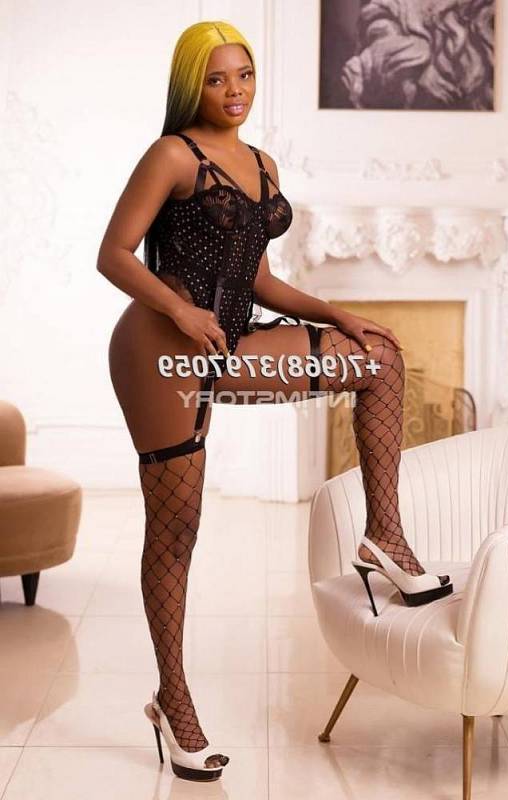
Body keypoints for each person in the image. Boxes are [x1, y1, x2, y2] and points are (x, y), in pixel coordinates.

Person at [96, 19, 453, 783]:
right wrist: (181, 310)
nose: (235, 91)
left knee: (380, 360)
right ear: (193, 84)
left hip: (229, 340)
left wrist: (336, 313)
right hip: (159, 349)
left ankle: (384, 538)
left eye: (245, 75)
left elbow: (256, 279)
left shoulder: (262, 163)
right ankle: (173, 700)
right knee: (177, 531)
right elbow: (113, 254)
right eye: (217, 78)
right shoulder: (171, 155)